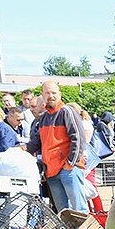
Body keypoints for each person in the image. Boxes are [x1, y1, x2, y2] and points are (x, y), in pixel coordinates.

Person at [26, 81, 88, 213]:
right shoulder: (44, 118)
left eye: (54, 92)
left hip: (68, 169)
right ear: (42, 95)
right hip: (52, 171)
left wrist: (70, 163)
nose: (51, 96)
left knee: (79, 210)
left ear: (59, 94)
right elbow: (38, 141)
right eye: (47, 93)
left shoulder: (67, 112)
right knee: (63, 213)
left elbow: (78, 138)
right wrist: (22, 149)